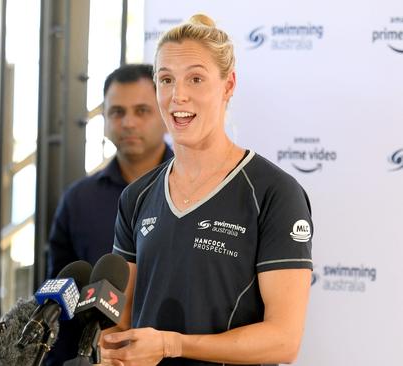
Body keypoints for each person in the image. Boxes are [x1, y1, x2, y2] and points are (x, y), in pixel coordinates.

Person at [101, 14, 313, 366]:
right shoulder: (137, 196)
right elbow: (119, 322)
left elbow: (283, 341)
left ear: (228, 85)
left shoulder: (274, 193)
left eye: (195, 79)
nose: (177, 95)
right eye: (166, 79)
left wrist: (173, 345)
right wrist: (108, 349)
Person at [45, 64, 172, 365]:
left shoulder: (199, 191)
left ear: (166, 115)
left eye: (142, 111)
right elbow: (59, 300)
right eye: (117, 112)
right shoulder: (79, 200)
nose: (128, 122)